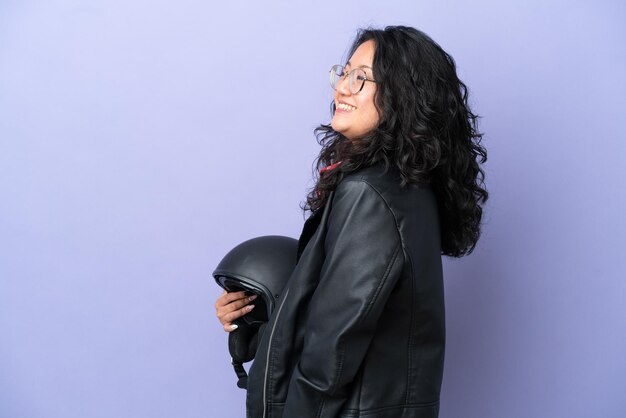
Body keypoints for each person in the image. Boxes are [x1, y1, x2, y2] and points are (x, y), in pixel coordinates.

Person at [214, 25, 488, 418]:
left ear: (403, 95)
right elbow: (336, 312)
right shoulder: (403, 188)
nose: (342, 88)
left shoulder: (371, 194)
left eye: (361, 78)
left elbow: (332, 348)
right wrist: (255, 314)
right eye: (344, 73)